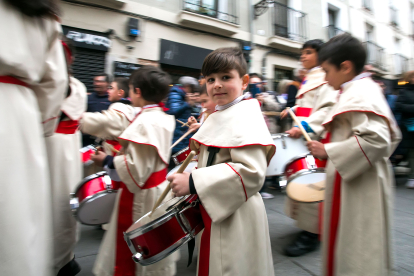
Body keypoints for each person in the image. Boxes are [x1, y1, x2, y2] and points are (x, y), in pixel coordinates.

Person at [167, 47, 275, 276]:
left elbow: (251, 172)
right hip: (219, 204)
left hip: (237, 212)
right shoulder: (221, 113)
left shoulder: (245, 114)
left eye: (226, 77)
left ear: (244, 81)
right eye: (211, 79)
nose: (217, 84)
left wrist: (194, 181)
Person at [309, 33, 401, 276]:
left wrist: (328, 150)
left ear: (345, 67)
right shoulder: (357, 89)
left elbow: (377, 139)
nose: (326, 80)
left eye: (327, 71)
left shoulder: (361, 92)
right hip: (356, 175)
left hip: (362, 183)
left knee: (359, 247)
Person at [0, 1, 67, 275]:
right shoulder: (44, 14)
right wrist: (39, 128)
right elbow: (55, 82)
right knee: (17, 220)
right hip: (18, 113)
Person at [90, 66, 177, 276]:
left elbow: (136, 169)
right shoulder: (160, 116)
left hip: (143, 195)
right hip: (158, 190)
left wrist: (108, 160)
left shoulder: (146, 122)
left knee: (139, 249)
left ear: (137, 91)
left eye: (130, 88)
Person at [280, 39, 338, 257]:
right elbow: (309, 104)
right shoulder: (311, 78)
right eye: (302, 53)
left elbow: (325, 110)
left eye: (308, 52)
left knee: (312, 182)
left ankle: (311, 235)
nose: (303, 56)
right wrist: (293, 109)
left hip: (314, 138)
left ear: (320, 55)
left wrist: (305, 125)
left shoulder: (325, 77)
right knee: (303, 178)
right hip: (302, 137)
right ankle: (307, 228)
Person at [44, 39, 87, 276]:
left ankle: (60, 260)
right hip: (63, 149)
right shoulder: (76, 85)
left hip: (56, 149)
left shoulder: (66, 86)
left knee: (58, 204)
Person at [80, 77, 137, 177]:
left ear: (120, 92)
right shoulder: (129, 108)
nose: (108, 90)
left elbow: (103, 122)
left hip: (114, 161)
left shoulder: (120, 109)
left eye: (111, 88)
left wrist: (77, 118)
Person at [166, 76, 198, 169]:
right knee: (174, 162)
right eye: (192, 88)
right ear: (187, 86)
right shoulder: (175, 94)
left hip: (182, 134)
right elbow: (173, 112)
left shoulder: (183, 96)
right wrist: (187, 103)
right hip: (176, 135)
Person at [395, 70, 414, 188]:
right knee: (412, 152)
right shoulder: (404, 91)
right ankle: (412, 177)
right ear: (410, 78)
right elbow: (399, 106)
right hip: (410, 127)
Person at [82, 73, 112, 146]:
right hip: (87, 138)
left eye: (99, 81)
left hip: (104, 139)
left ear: (107, 83)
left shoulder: (111, 99)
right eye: (95, 81)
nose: (96, 84)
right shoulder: (88, 98)